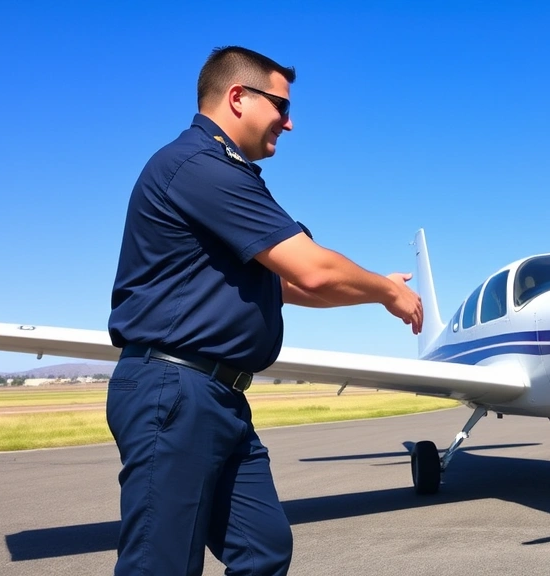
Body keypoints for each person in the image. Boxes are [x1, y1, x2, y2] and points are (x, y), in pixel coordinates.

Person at [106, 46, 423, 576]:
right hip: (175, 389)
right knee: (161, 565)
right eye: (281, 104)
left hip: (221, 396)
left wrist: (374, 288)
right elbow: (313, 270)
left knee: (263, 549)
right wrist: (387, 293)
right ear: (237, 97)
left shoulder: (227, 175)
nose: (290, 122)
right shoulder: (198, 167)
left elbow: (293, 283)